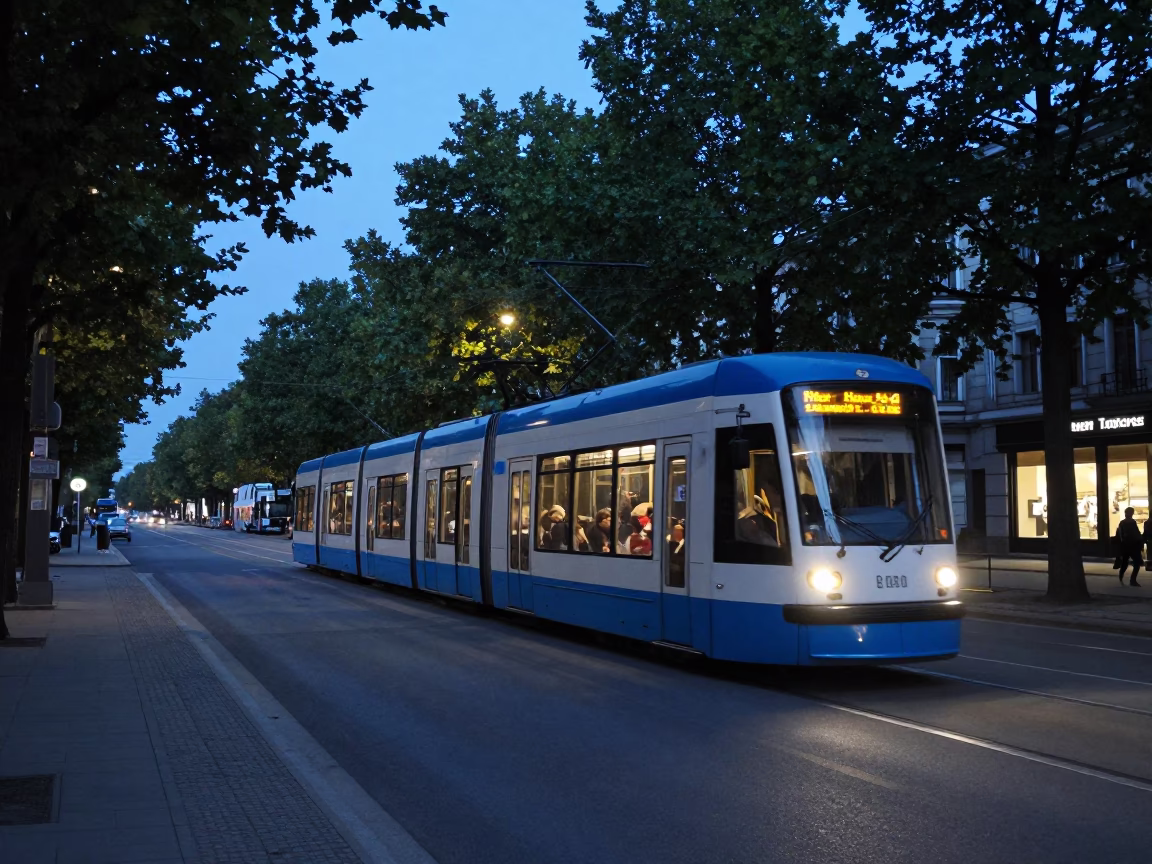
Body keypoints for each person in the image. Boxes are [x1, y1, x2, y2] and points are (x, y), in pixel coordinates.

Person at [1115, 506, 1143, 587]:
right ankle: (1132, 580)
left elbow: (1120, 535)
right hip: (1131, 545)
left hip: (1127, 546)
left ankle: (1122, 577)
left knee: (1125, 562)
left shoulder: (1123, 523)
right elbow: (1136, 533)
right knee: (1135, 563)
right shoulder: (1130, 522)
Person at [667, 522, 686, 587]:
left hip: (681, 576)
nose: (675, 533)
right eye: (674, 531)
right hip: (671, 575)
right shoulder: (672, 544)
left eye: (677, 532)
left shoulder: (686, 545)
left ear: (682, 533)